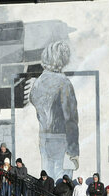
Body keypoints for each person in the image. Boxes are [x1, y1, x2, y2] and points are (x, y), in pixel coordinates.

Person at [28, 40, 79, 182]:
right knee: (63, 179)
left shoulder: (38, 82)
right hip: (62, 136)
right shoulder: (64, 83)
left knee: (47, 175)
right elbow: (71, 119)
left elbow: (33, 99)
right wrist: (74, 150)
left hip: (44, 136)